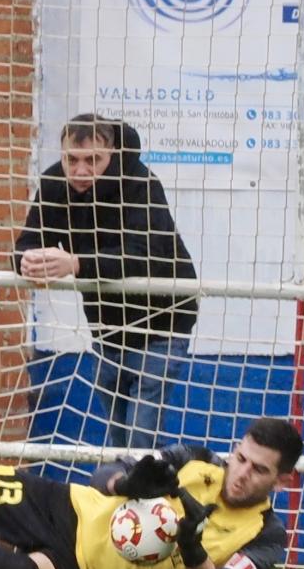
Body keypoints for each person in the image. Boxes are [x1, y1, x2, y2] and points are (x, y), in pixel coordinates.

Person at [0, 417, 303, 569]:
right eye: (241, 459)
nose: (242, 474)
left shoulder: (265, 534)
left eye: (259, 470)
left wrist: (192, 548)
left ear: (282, 480)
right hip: (69, 509)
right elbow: (104, 476)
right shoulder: (192, 460)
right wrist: (128, 485)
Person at [15, 114, 198, 454]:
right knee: (117, 440)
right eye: (72, 159)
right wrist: (27, 261)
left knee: (140, 441)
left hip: (162, 321)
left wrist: (76, 263)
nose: (81, 171)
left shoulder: (141, 183)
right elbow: (27, 242)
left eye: (92, 160)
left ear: (111, 155)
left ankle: (141, 500)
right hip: (106, 328)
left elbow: (143, 255)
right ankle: (122, 500)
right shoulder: (55, 183)